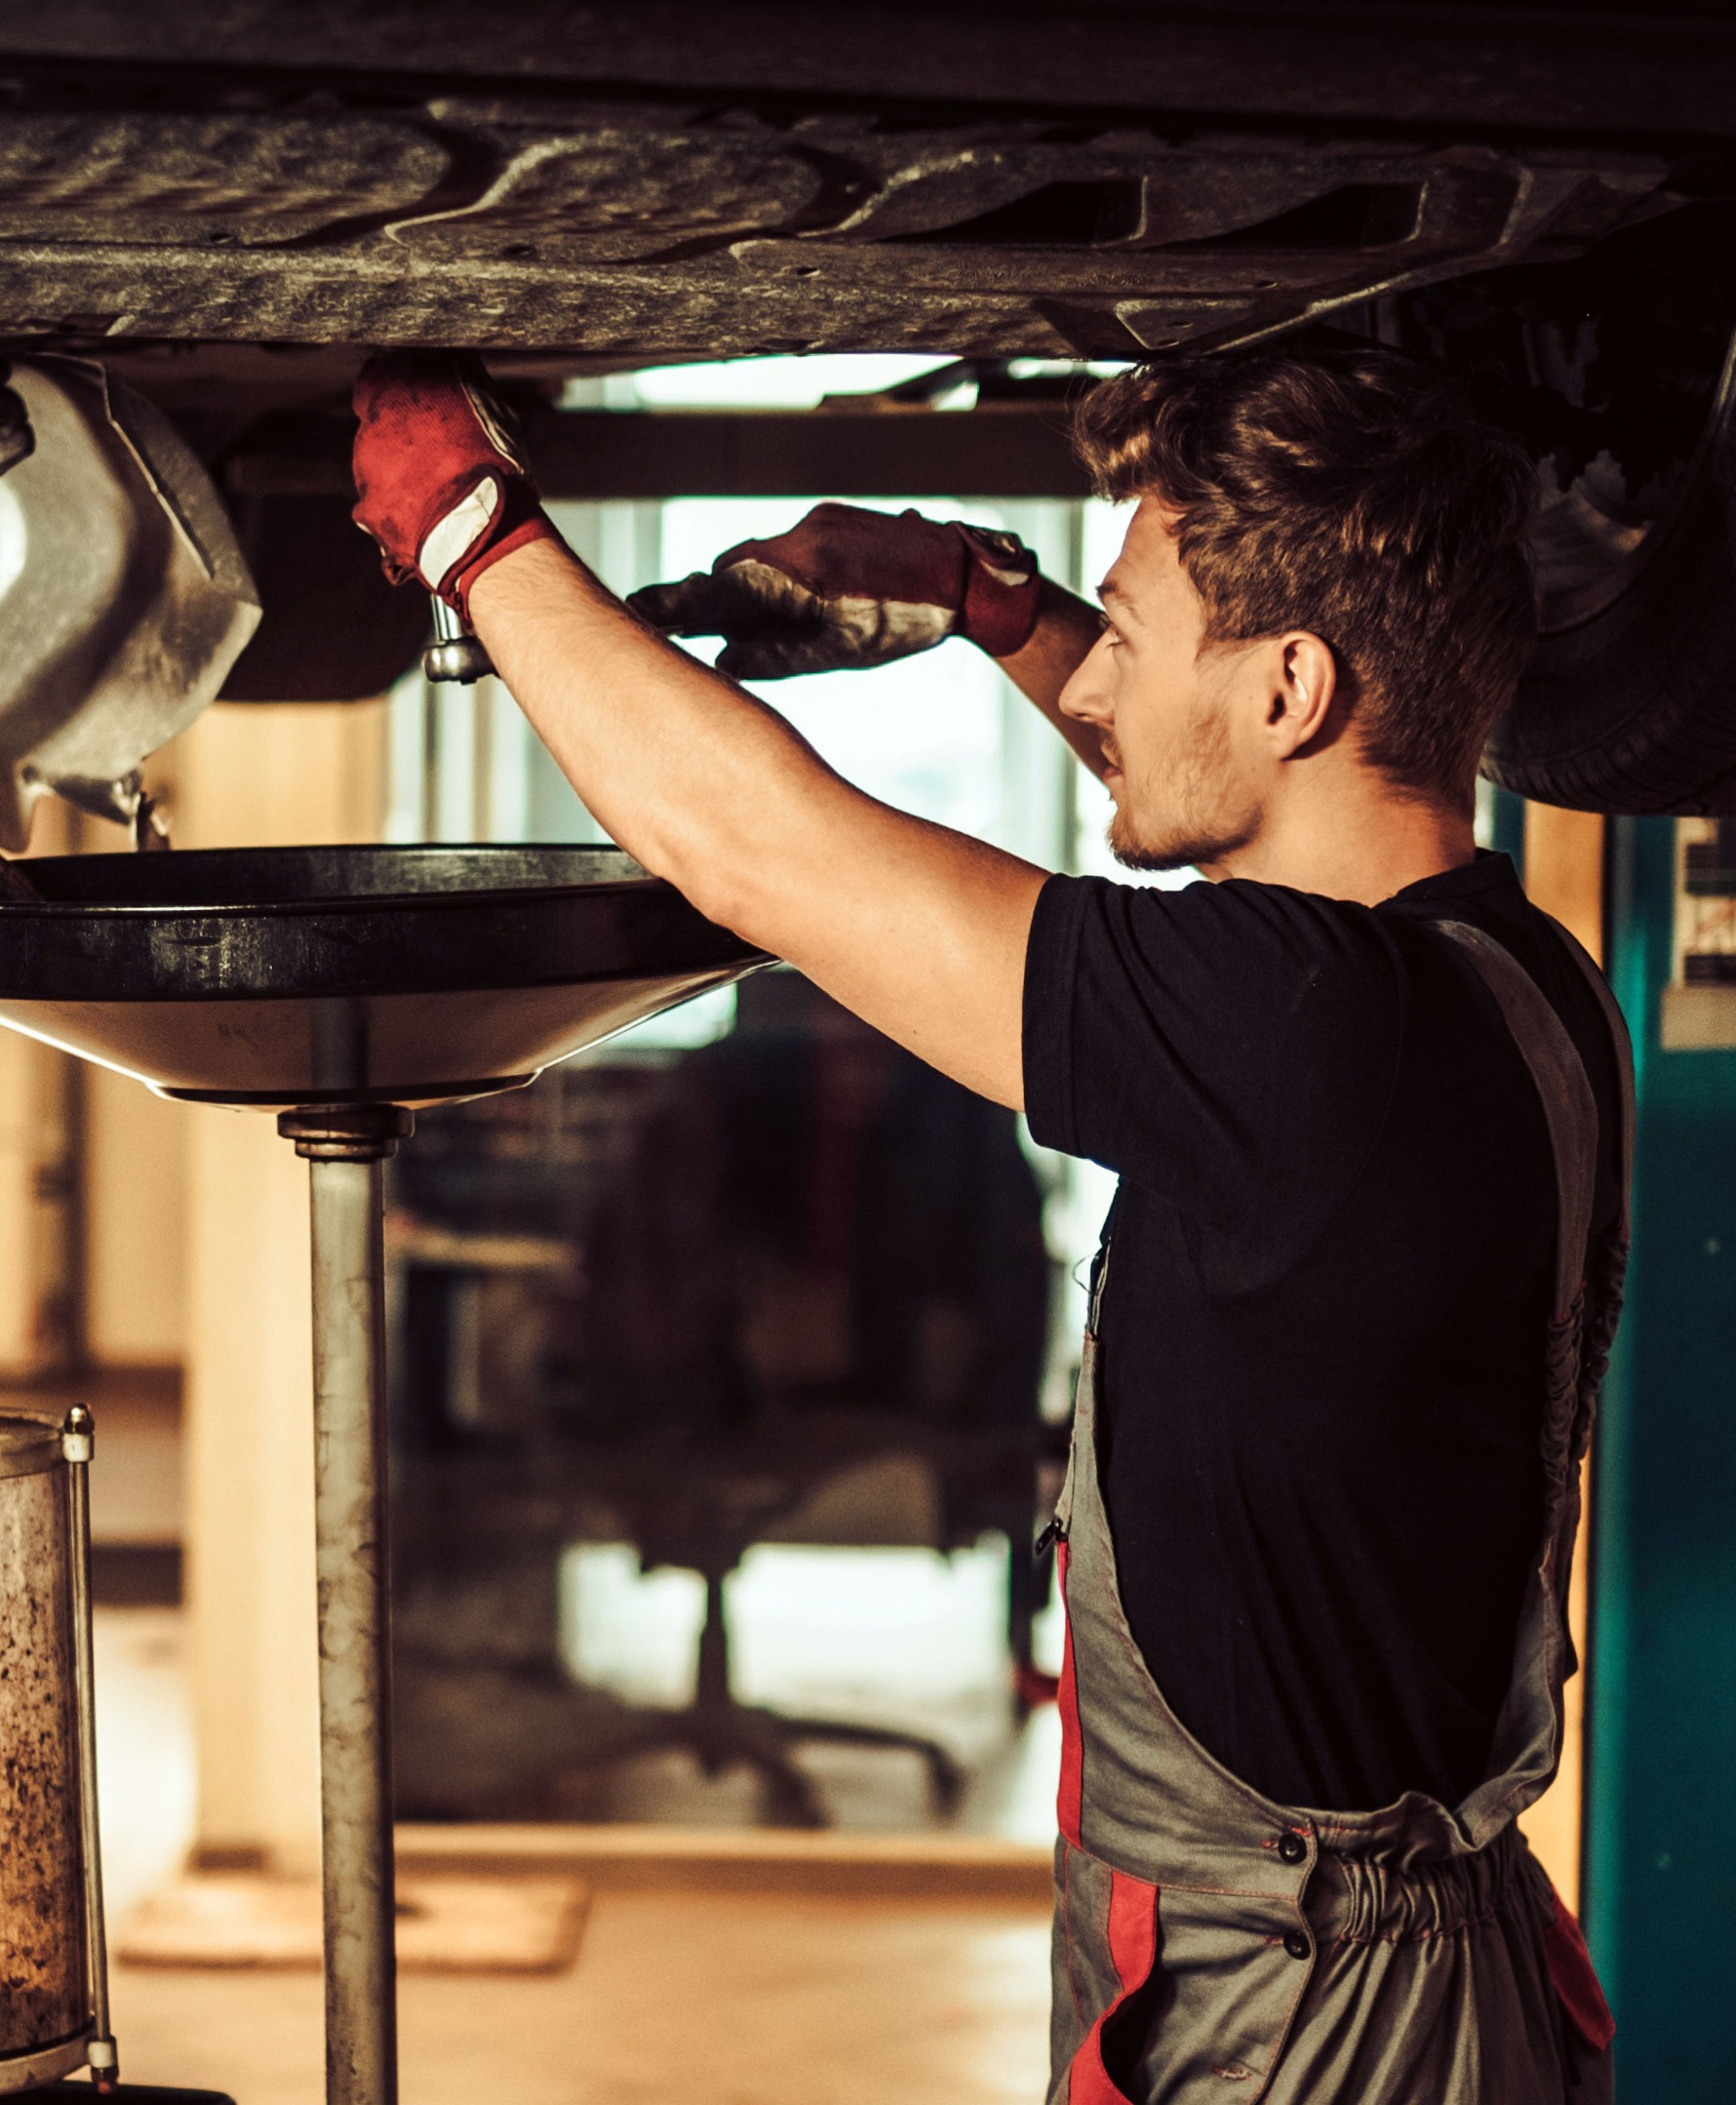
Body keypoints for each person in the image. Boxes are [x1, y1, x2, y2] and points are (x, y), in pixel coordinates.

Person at [349, 338, 1630, 2104]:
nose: (1101, 673)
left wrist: (473, 532)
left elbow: (761, 851)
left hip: (1305, 2025)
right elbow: (1179, 767)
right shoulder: (1504, 979)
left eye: (1136, 628)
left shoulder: (1306, 1034)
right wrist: (975, 596)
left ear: (1288, 688)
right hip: (1397, 1955)